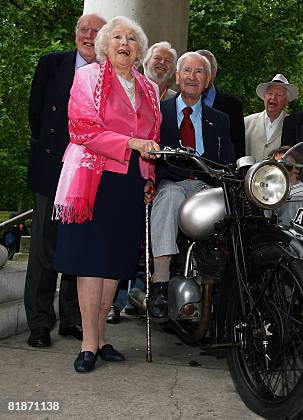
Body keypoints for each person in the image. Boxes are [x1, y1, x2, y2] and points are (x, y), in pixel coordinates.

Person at [53, 16, 161, 373]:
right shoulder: (88, 77)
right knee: (90, 261)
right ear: (105, 45)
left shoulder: (149, 89)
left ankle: (100, 339)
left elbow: (152, 140)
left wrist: (149, 176)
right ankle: (87, 344)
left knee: (114, 261)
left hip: (130, 180)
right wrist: (130, 142)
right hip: (93, 177)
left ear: (139, 49)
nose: (124, 42)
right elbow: (81, 128)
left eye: (131, 37)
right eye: (116, 36)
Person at [24, 13, 106, 349]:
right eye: (84, 30)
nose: (88, 36)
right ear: (75, 35)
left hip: (89, 173)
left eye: (95, 32)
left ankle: (72, 319)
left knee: (78, 247)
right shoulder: (51, 64)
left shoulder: (109, 73)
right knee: (44, 248)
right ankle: (40, 323)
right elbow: (36, 115)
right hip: (52, 169)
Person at [147, 52, 235, 319]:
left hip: (205, 186)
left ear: (207, 81)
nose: (192, 77)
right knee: (171, 195)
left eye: (199, 72)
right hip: (171, 182)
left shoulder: (219, 119)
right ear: (177, 76)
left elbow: (227, 161)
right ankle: (160, 283)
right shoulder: (158, 113)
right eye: (187, 70)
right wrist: (149, 180)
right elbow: (148, 152)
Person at [196, 49, 246, 158]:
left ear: (213, 72)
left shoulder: (233, 105)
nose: (197, 74)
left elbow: (238, 147)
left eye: (204, 69)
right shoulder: (178, 103)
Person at [244, 74, 298, 161]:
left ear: (286, 101)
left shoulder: (293, 125)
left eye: (279, 95)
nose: (273, 98)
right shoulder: (246, 122)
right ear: (264, 97)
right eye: (270, 93)